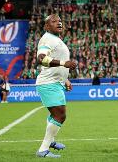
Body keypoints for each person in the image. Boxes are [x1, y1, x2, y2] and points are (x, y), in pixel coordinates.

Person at [35, 14, 78, 158]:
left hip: (55, 82)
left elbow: (56, 66)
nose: (59, 23)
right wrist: (63, 63)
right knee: (60, 115)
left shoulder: (56, 40)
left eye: (60, 21)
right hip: (49, 83)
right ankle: (43, 149)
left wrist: (65, 79)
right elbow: (41, 59)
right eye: (54, 21)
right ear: (47, 26)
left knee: (55, 114)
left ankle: (51, 141)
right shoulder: (47, 39)